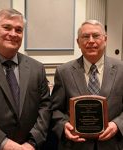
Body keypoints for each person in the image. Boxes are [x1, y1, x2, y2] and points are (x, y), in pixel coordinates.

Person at [0, 8, 51, 150]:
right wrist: (4, 144)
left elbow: (45, 107)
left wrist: (32, 142)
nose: (13, 34)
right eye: (7, 27)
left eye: (19, 30)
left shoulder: (37, 68)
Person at [51, 19, 123, 150]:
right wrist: (63, 125)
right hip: (75, 146)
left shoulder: (121, 69)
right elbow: (55, 110)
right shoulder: (63, 72)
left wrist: (118, 125)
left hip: (113, 145)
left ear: (105, 40)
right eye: (85, 36)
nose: (91, 41)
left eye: (96, 36)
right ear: (78, 42)